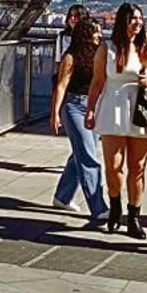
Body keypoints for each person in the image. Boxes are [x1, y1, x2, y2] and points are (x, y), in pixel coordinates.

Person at [86, 3, 147, 237]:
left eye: (140, 19)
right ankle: (115, 207)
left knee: (137, 168)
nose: (137, 23)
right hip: (113, 107)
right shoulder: (106, 49)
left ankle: (134, 216)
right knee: (114, 165)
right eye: (133, 19)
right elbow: (97, 82)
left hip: (140, 110)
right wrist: (90, 110)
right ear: (123, 21)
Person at [50, 18, 109, 221]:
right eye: (96, 32)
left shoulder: (101, 54)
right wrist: (55, 113)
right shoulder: (71, 56)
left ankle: (62, 197)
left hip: (95, 108)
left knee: (80, 154)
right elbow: (61, 85)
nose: (100, 35)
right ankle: (98, 207)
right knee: (88, 157)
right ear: (85, 34)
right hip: (75, 107)